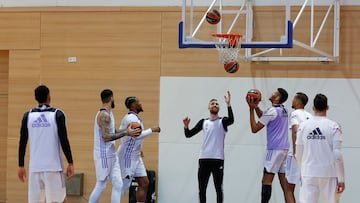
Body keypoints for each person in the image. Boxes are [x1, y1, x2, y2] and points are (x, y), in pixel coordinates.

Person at [18, 85, 74, 203]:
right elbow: (64, 140)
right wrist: (70, 162)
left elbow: (22, 141)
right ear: (49, 97)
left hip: (35, 168)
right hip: (53, 168)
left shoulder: (27, 116)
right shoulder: (58, 114)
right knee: (59, 200)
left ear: (35, 98)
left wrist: (21, 165)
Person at [89, 89, 141, 203]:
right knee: (101, 185)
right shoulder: (104, 115)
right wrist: (127, 132)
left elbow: (113, 131)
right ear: (111, 98)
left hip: (112, 154)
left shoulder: (109, 113)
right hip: (103, 155)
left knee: (118, 184)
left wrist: (127, 130)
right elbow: (106, 137)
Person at [183, 91, 234, 203]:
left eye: (217, 104)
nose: (215, 105)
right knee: (202, 189)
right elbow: (188, 135)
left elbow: (232, 120)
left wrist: (228, 105)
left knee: (218, 189)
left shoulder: (223, 121)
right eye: (212, 103)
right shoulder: (203, 122)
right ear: (208, 107)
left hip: (218, 159)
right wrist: (186, 126)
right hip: (204, 159)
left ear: (219, 107)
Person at [246, 88, 294, 203]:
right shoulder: (284, 110)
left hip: (274, 150)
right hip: (285, 150)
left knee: (266, 181)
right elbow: (265, 117)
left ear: (278, 98)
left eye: (274, 93)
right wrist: (257, 107)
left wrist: (251, 109)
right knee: (286, 187)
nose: (271, 93)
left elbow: (254, 129)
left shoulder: (272, 111)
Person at [295, 93, 345, 203]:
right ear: (327, 108)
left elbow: (298, 153)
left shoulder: (303, 126)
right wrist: (341, 178)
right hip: (329, 173)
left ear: (313, 108)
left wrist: (301, 171)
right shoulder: (334, 126)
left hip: (308, 173)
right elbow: (337, 155)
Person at [117, 96, 161, 203]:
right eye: (138, 102)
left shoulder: (132, 118)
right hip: (127, 157)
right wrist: (152, 129)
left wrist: (138, 148)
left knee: (144, 183)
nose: (140, 103)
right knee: (124, 185)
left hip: (135, 156)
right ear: (133, 105)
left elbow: (121, 134)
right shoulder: (131, 118)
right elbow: (138, 135)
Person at [286, 92, 312, 202]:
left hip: (296, 155)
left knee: (288, 189)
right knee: (306, 189)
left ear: (298, 101)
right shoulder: (310, 116)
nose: (292, 101)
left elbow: (295, 130)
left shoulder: (295, 113)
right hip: (309, 156)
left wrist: (296, 151)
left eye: (294, 98)